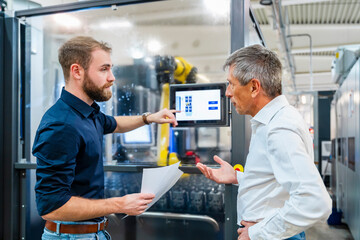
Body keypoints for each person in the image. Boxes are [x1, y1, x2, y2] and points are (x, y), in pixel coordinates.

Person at [32, 36, 178, 239]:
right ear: (77, 71)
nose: (112, 77)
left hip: (93, 233)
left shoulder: (88, 113)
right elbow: (51, 206)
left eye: (110, 69)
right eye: (104, 69)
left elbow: (114, 123)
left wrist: (149, 118)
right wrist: (119, 203)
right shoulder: (62, 125)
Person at [196, 44, 332, 240]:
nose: (227, 92)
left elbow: (315, 201)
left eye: (231, 84)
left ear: (253, 87)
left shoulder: (278, 128)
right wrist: (237, 177)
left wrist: (257, 233)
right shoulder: (273, 120)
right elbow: (277, 182)